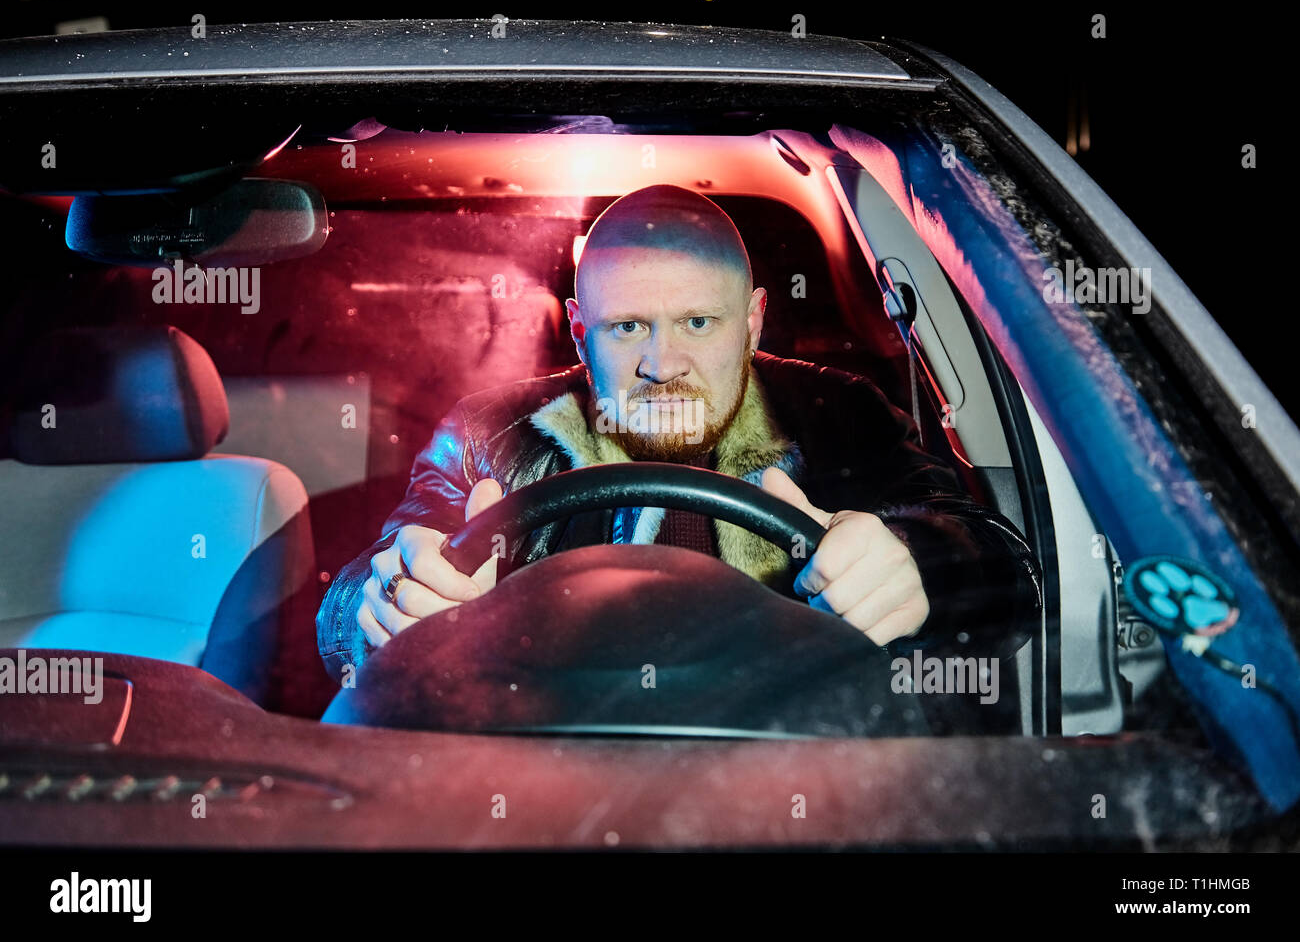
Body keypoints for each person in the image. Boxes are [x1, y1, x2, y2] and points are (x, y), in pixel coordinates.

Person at [316, 184, 1042, 683]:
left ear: (755, 321)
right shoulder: (490, 434)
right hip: (543, 779)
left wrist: (919, 566)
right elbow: (366, 588)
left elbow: (1007, 571)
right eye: (628, 326)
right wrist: (382, 607)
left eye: (699, 323)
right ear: (578, 331)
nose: (662, 366)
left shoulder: (842, 414)